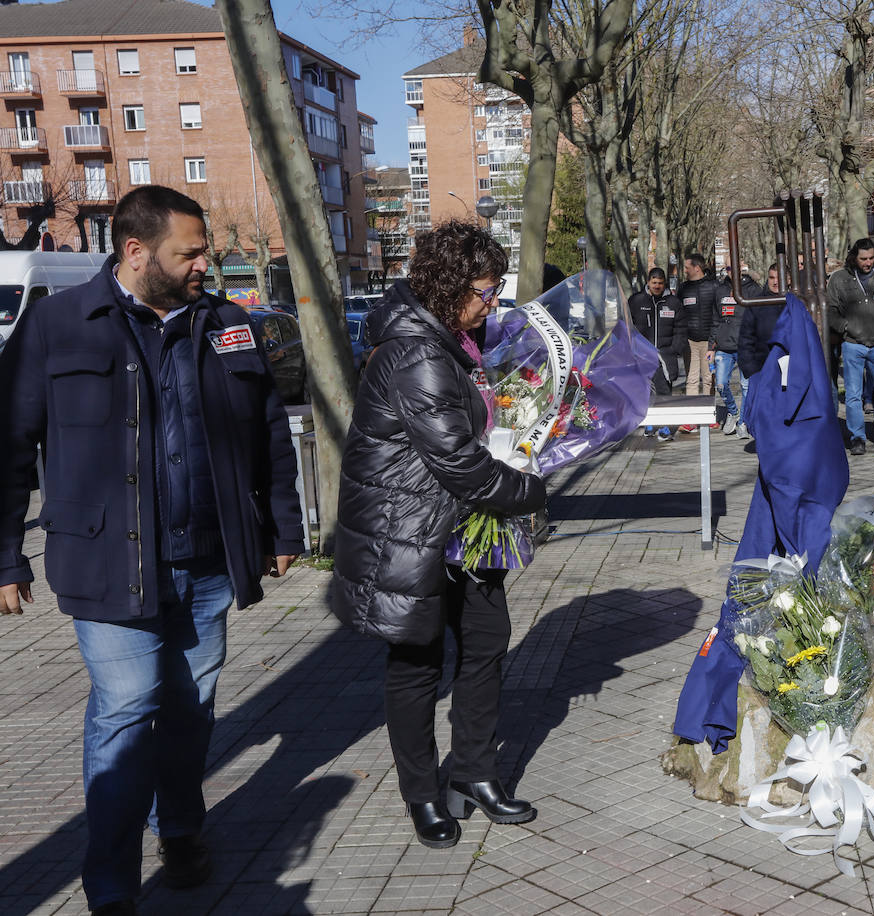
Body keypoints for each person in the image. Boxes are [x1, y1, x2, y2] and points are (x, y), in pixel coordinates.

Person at [0, 185, 305, 915]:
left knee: (192, 706)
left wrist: (281, 529)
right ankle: (110, 885)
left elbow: (269, 433)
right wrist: (6, 556)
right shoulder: (57, 325)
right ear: (136, 251)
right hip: (106, 562)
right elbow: (9, 447)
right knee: (130, 705)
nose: (207, 262)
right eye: (190, 252)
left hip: (204, 561)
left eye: (204, 250)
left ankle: (182, 829)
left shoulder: (228, 326)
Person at [330, 221, 547, 851]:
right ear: (450, 285)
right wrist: (532, 491)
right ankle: (423, 793)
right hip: (408, 532)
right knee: (417, 661)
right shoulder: (418, 352)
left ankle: (477, 772)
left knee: (486, 640)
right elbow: (460, 463)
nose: (493, 302)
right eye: (485, 289)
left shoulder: (453, 339)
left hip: (458, 529)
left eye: (497, 288)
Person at [827, 238, 874, 455]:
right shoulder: (839, 278)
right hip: (852, 344)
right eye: (863, 259)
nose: (868, 262)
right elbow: (831, 309)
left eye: (871, 258)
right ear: (854, 257)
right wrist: (845, 327)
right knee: (853, 394)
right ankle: (857, 437)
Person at [628, 267, 685, 441]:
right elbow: (626, 327)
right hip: (641, 355)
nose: (657, 286)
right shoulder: (636, 301)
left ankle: (667, 425)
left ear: (665, 283)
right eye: (654, 283)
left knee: (663, 391)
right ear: (648, 282)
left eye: (660, 283)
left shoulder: (674, 303)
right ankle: (651, 422)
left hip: (664, 356)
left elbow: (681, 329)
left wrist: (674, 349)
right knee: (644, 392)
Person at [677, 254, 720, 416]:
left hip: (709, 343)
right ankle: (691, 417)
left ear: (697, 268)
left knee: (709, 379)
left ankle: (709, 415)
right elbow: (678, 314)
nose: (684, 271)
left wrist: (714, 342)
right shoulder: (683, 288)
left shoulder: (714, 286)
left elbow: (719, 315)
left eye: (687, 267)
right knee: (692, 379)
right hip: (690, 342)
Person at [710, 275, 746, 436]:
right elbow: (715, 320)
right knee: (721, 384)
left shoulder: (752, 288)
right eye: (728, 267)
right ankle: (733, 412)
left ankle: (743, 422)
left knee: (746, 387)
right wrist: (711, 346)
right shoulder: (720, 290)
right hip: (724, 347)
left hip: (745, 346)